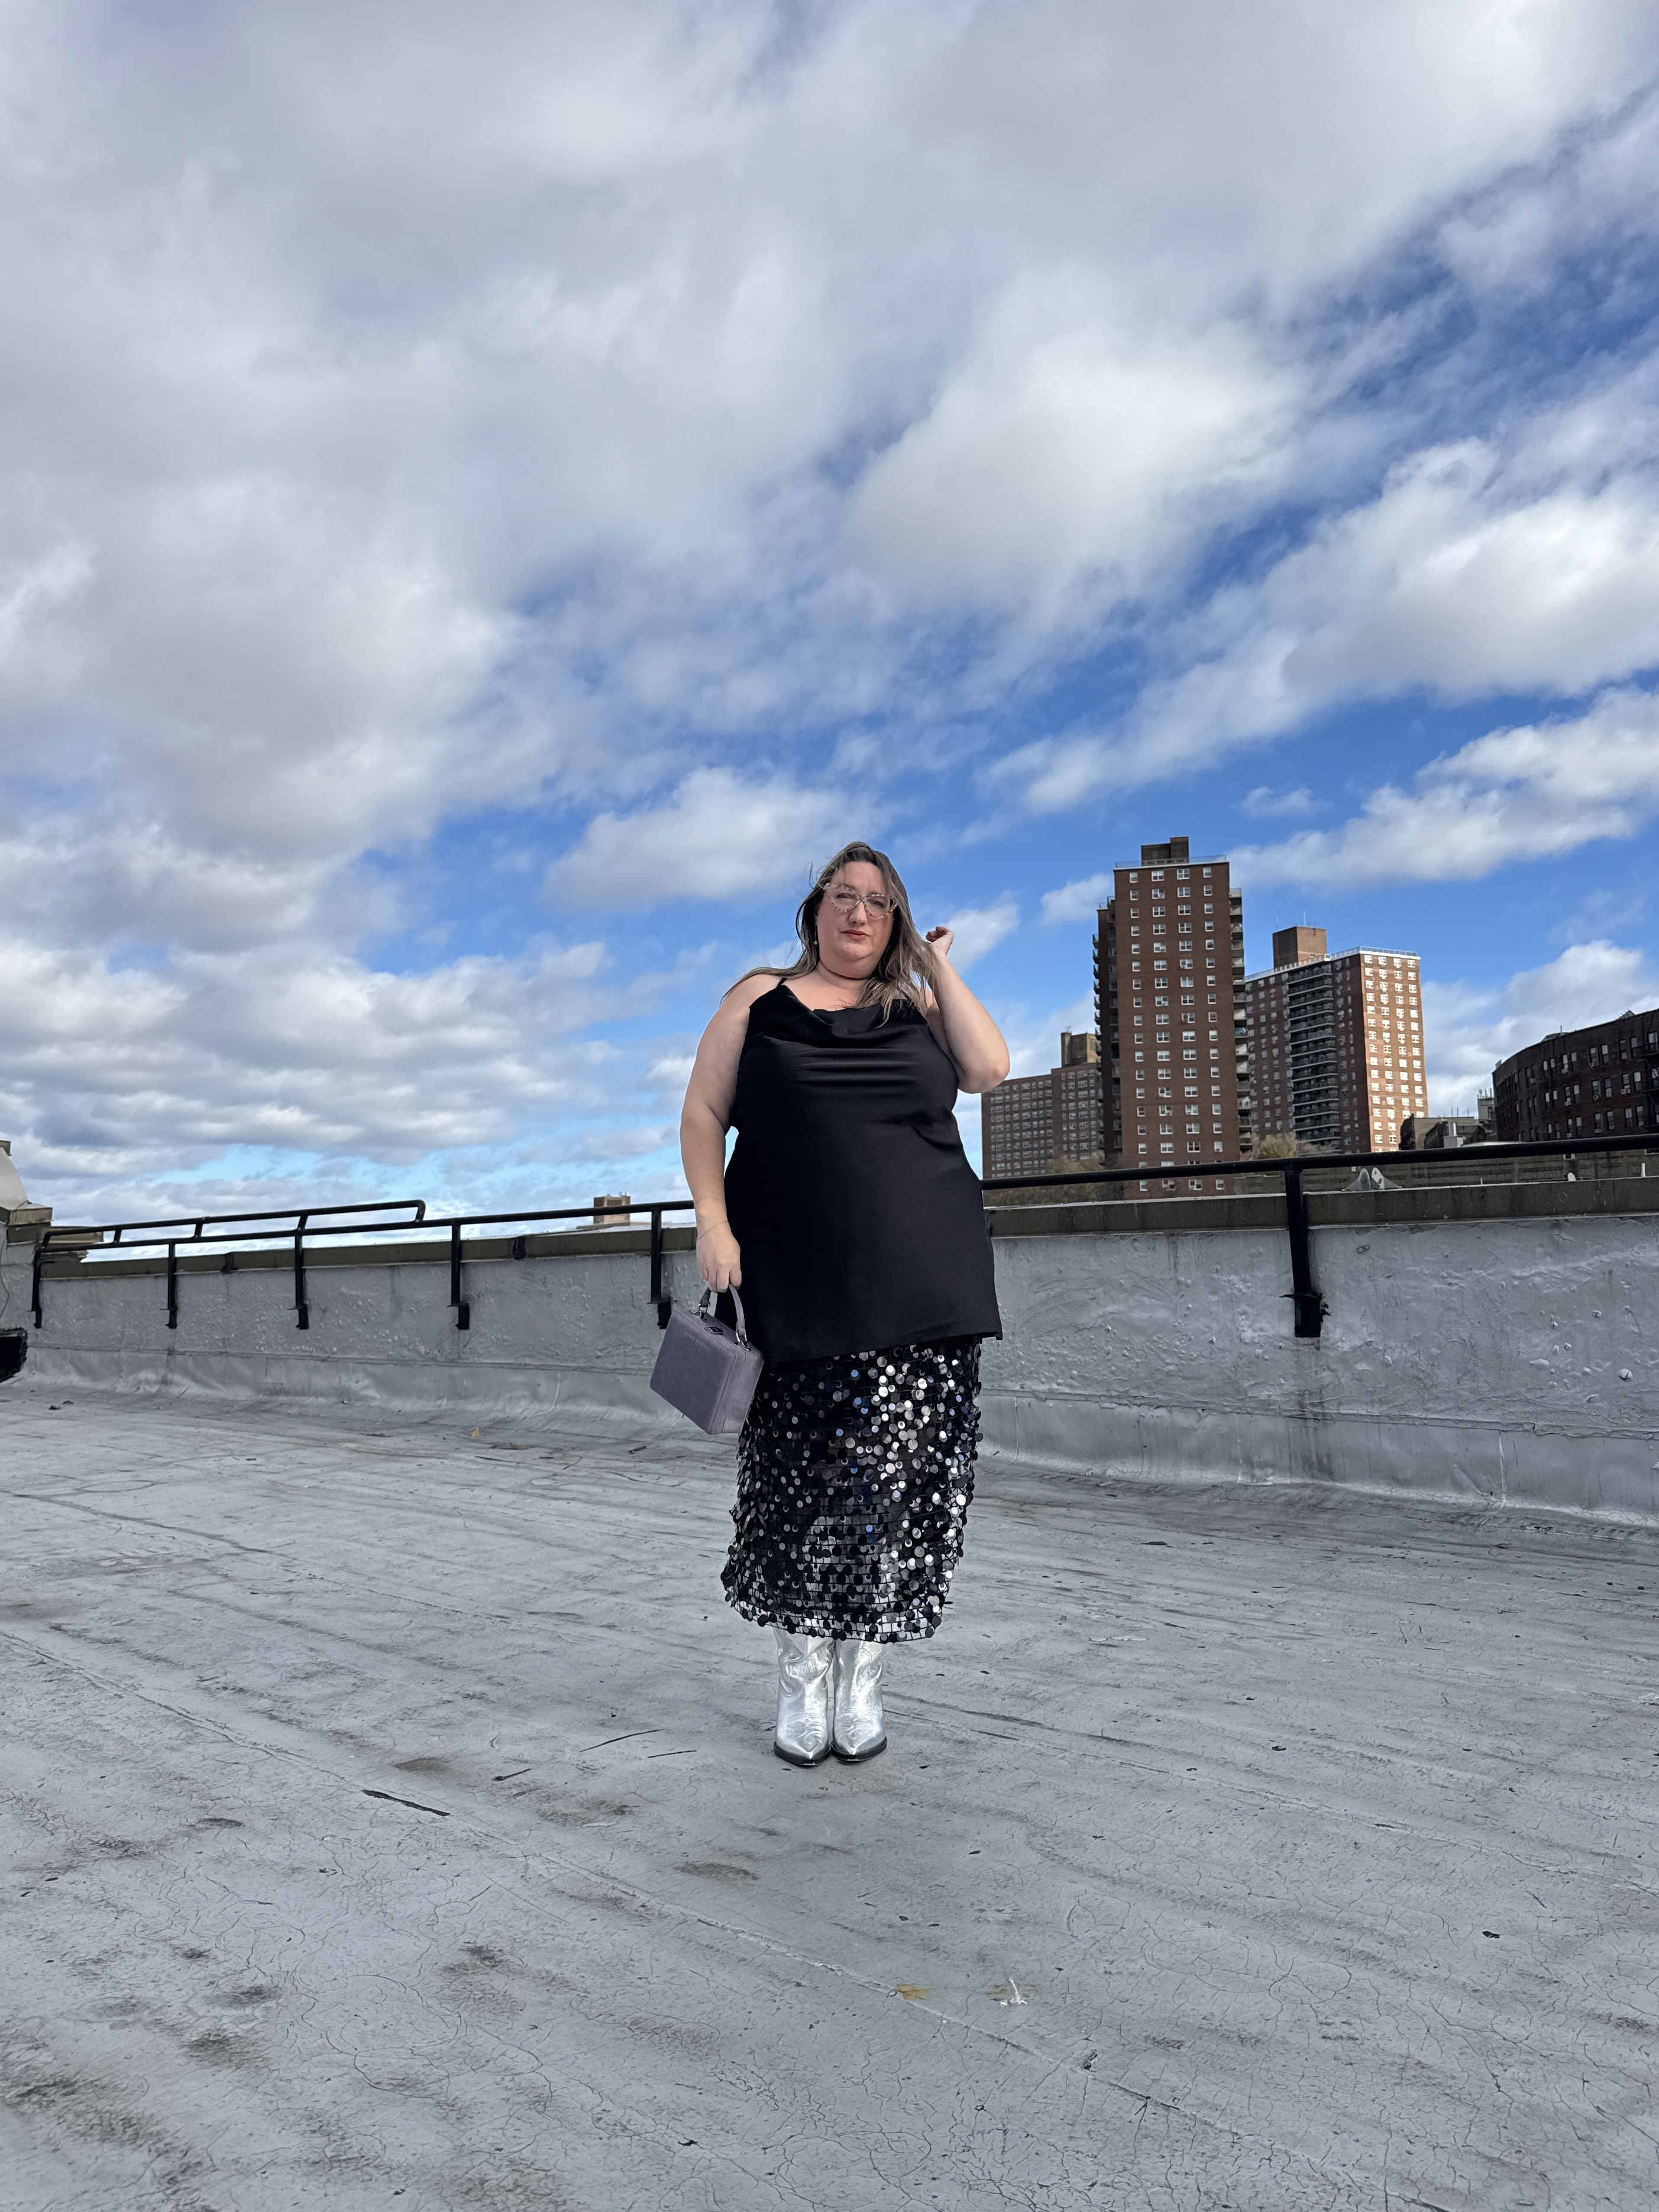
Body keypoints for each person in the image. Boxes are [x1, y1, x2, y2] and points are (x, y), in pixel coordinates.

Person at [679, 841, 1009, 1766]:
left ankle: (860, 1678)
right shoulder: (758, 998)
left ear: (896, 920)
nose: (858, 914)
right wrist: (713, 1221)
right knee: (798, 1483)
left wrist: (937, 962)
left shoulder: (918, 1004)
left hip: (923, 1277)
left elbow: (987, 1071)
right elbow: (704, 1113)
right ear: (814, 910)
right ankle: (801, 1675)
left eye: (878, 903)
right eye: (842, 898)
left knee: (896, 1487)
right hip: (790, 1272)